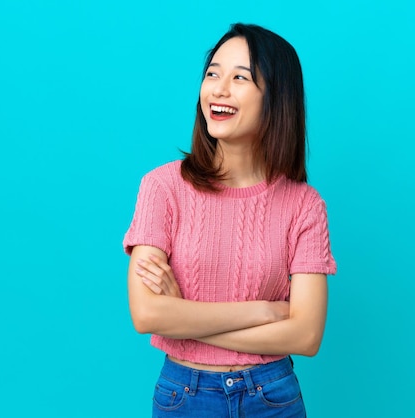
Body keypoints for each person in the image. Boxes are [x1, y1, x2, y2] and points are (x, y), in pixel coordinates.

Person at [123, 23, 337, 417]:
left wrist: (184, 316)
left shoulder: (304, 204)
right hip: (184, 396)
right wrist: (265, 310)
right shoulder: (162, 187)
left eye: (240, 77)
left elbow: (306, 336)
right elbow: (147, 314)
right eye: (212, 74)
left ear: (276, 98)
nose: (218, 89)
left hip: (272, 395)